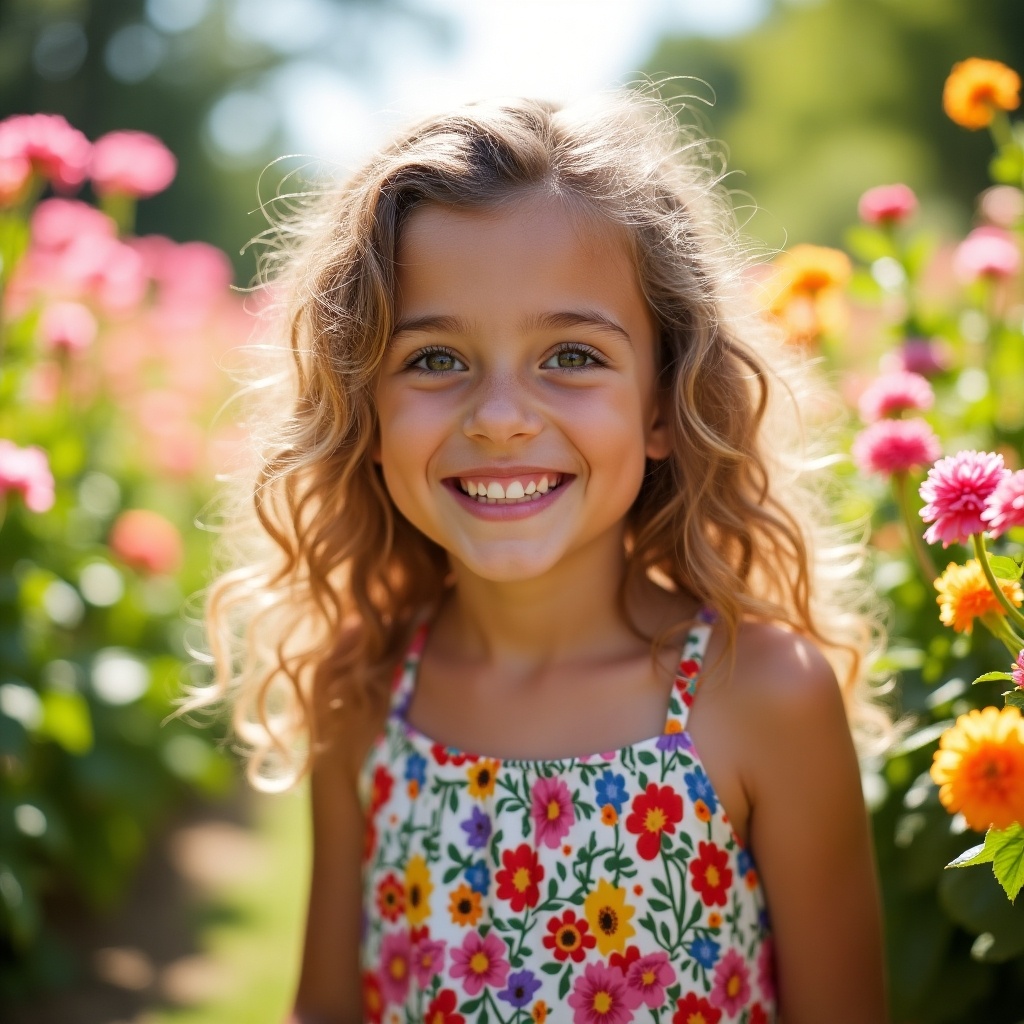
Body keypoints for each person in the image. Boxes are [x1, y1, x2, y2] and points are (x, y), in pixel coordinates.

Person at [190, 91, 890, 1024]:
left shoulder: (760, 696)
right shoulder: (362, 691)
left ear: (661, 405)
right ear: (365, 411)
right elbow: (326, 1006)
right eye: (435, 361)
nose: (502, 415)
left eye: (570, 354)